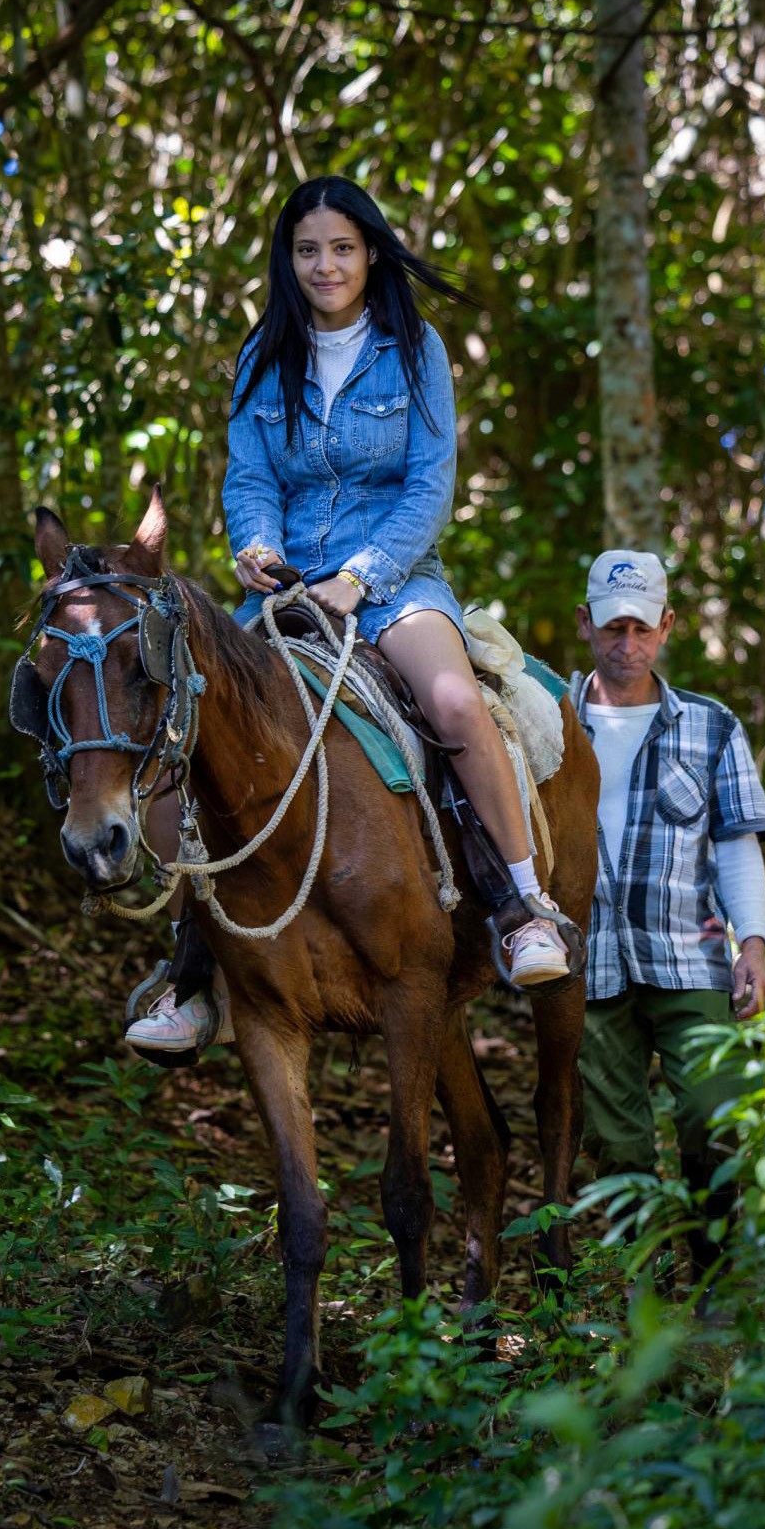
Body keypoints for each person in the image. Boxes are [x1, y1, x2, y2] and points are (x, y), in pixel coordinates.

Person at [123, 176, 581, 1065]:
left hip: (397, 581)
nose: (325, 265)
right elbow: (249, 476)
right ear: (287, 261)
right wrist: (255, 545)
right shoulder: (265, 354)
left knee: (451, 703)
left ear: (371, 253)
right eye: (308, 250)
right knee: (189, 723)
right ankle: (190, 972)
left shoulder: (416, 350)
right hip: (283, 589)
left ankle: (525, 904)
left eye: (341, 247)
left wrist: (363, 577)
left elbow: (429, 485)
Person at [572, 549, 765, 1278]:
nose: (627, 645)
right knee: (618, 1144)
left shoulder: (710, 726)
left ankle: (716, 1270)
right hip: (589, 964)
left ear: (667, 627)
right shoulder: (547, 722)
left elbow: (736, 844)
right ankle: (645, 1292)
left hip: (688, 957)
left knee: (714, 1117)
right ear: (585, 625)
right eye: (612, 627)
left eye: (642, 629)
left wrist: (752, 944)